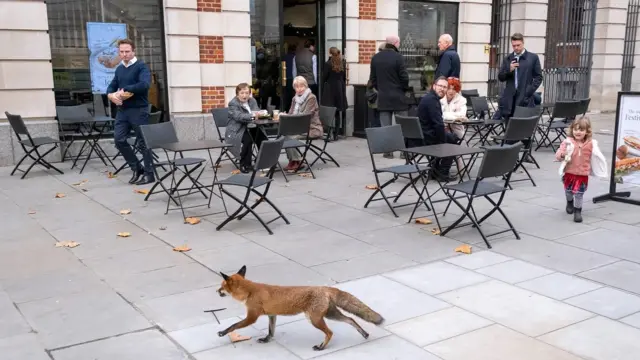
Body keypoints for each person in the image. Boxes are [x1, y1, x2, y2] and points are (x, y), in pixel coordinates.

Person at [107, 39, 154, 185]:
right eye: (121, 51)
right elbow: (111, 86)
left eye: (127, 51)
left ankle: (149, 174)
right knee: (119, 140)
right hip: (123, 110)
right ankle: (137, 168)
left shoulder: (141, 66)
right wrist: (111, 96)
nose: (124, 54)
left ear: (133, 51)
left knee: (143, 143)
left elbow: (145, 85)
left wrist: (124, 91)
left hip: (139, 110)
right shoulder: (120, 69)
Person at [555, 117, 607, 223]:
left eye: (581, 130)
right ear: (572, 130)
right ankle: (569, 202)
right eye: (576, 129)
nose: (578, 132)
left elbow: (597, 156)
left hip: (582, 175)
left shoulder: (591, 143)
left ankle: (577, 211)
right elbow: (558, 154)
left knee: (579, 194)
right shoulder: (567, 142)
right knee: (568, 191)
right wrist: (562, 154)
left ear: (587, 131)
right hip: (569, 173)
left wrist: (599, 167)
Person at [369, 35, 410, 158]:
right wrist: (403, 88)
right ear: (396, 43)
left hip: (384, 97)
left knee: (385, 126)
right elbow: (404, 77)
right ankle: (403, 152)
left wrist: (381, 88)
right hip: (399, 97)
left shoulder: (375, 58)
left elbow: (373, 79)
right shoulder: (399, 57)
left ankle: (388, 151)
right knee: (402, 125)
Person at [418, 76, 457, 181]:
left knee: (449, 137)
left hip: (421, 136)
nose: (442, 89)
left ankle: (434, 171)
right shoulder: (432, 100)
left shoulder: (429, 98)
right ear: (434, 86)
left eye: (445, 87)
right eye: (440, 86)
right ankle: (442, 173)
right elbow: (438, 124)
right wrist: (443, 141)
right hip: (426, 138)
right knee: (452, 139)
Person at [497, 33, 543, 122]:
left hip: (524, 97)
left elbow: (538, 77)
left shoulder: (532, 57)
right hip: (510, 98)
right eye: (514, 46)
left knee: (522, 127)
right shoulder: (508, 59)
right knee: (509, 128)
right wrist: (509, 70)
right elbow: (501, 77)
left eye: (518, 45)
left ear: (523, 43)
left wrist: (529, 91)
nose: (516, 48)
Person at [226, 83, 267, 173]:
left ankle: (261, 161)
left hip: (252, 126)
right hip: (237, 129)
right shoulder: (233, 103)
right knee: (248, 140)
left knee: (262, 137)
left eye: (247, 93)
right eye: (242, 93)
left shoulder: (252, 101)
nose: (244, 95)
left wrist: (261, 113)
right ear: (237, 94)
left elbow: (256, 111)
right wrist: (253, 115)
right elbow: (238, 116)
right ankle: (244, 164)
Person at [284, 76, 323, 171]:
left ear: (305, 86)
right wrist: (284, 115)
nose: (299, 89)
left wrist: (290, 119)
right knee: (284, 134)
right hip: (298, 127)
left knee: (290, 136)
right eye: (297, 87)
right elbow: (290, 113)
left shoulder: (311, 98)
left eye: (301, 86)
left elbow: (305, 116)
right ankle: (293, 160)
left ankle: (297, 161)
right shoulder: (295, 99)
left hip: (312, 128)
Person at [321, 47, 348, 140]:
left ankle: (329, 133)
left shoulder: (328, 64)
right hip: (339, 88)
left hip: (330, 88)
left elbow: (324, 77)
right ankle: (336, 134)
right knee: (337, 112)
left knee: (329, 112)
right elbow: (344, 77)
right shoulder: (342, 63)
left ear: (330, 54)